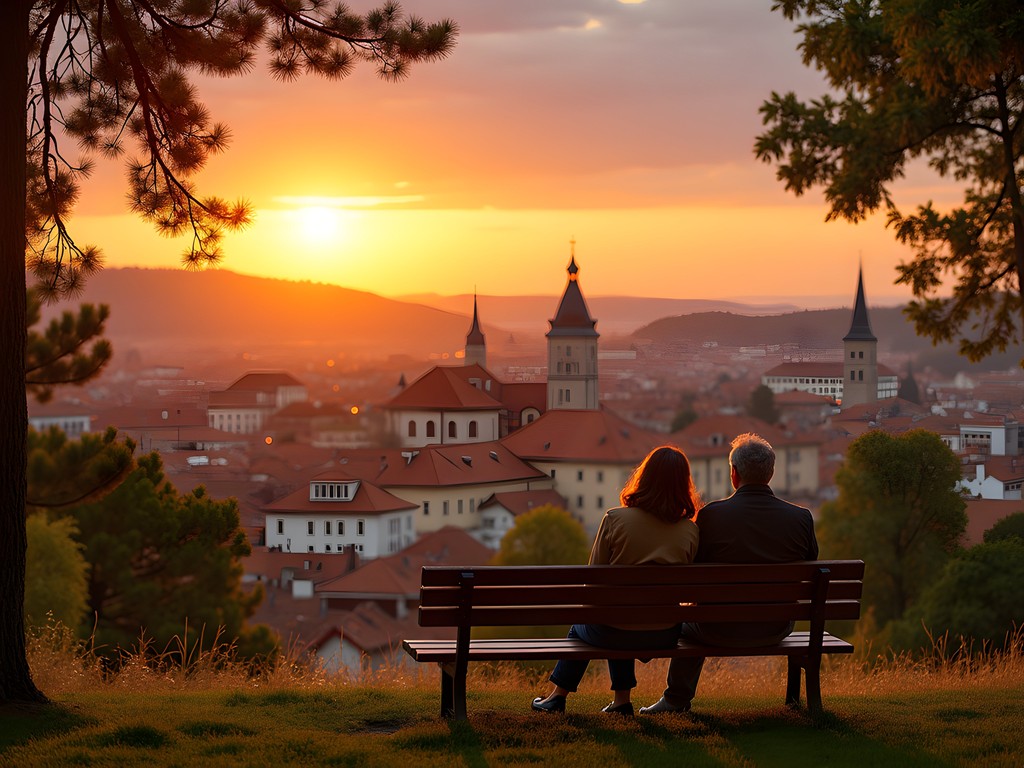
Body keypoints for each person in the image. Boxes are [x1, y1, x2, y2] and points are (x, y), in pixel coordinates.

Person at [641, 432, 818, 715]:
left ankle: (676, 698)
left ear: (734, 475)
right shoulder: (801, 518)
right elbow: (810, 567)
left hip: (716, 628)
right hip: (776, 627)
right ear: (770, 474)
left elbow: (693, 576)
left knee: (691, 619)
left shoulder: (712, 516)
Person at [530, 445, 701, 717]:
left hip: (613, 628)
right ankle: (620, 703)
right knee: (617, 617)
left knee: (592, 622)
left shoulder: (615, 519)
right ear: (683, 484)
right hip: (665, 632)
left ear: (644, 478)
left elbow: (593, 579)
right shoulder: (690, 531)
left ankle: (557, 698)